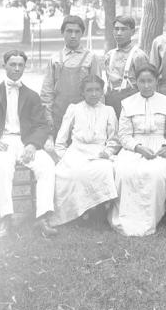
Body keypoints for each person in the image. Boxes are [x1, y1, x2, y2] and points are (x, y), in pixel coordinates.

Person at [0, 50, 58, 238]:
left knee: (47, 165)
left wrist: (33, 145)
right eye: (13, 64)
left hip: (26, 141)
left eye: (20, 65)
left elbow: (42, 126)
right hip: (2, 142)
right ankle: (5, 218)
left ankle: (42, 217)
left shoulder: (32, 96)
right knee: (2, 166)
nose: (17, 68)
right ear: (4, 66)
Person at [109, 64, 166, 236]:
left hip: (159, 147)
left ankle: (149, 220)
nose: (146, 85)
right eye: (142, 81)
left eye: (150, 81)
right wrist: (138, 148)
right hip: (133, 148)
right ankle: (127, 219)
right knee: (124, 172)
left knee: (155, 174)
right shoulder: (128, 104)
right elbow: (123, 135)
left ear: (156, 81)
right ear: (136, 82)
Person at [49, 75, 120, 228]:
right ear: (82, 92)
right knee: (73, 173)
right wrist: (65, 157)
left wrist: (107, 152)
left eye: (97, 90)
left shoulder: (108, 110)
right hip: (76, 151)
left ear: (102, 91)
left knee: (105, 169)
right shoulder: (74, 109)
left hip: (99, 152)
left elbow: (114, 139)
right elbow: (60, 141)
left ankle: (99, 209)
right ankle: (79, 211)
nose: (94, 94)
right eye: (89, 90)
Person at [40, 16, 100, 149]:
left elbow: (98, 92)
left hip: (84, 116)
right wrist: (48, 119)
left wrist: (97, 119)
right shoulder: (55, 59)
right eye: (69, 31)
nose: (73, 35)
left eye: (77, 32)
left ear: (82, 34)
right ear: (63, 32)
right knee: (59, 152)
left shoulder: (91, 58)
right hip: (59, 114)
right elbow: (46, 93)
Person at [103, 15, 149, 118]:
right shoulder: (109, 55)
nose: (119, 33)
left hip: (131, 103)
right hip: (111, 102)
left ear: (132, 32)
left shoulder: (138, 56)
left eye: (124, 29)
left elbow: (146, 84)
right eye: (116, 29)